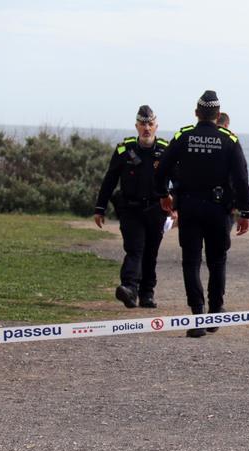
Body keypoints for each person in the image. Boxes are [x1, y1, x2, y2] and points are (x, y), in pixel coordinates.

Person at [154, 90, 249, 338]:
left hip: (189, 207)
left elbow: (162, 168)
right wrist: (246, 212)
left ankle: (197, 315)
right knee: (217, 261)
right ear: (218, 115)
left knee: (191, 261)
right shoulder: (229, 139)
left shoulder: (184, 135)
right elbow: (241, 178)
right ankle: (215, 312)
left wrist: (163, 195)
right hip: (218, 210)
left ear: (197, 113)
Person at [94, 105, 171, 309]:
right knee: (135, 248)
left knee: (151, 252)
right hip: (131, 209)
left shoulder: (165, 150)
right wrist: (100, 208)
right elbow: (109, 180)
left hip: (157, 209)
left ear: (156, 126)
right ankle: (129, 288)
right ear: (136, 126)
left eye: (150, 124)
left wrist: (177, 208)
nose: (147, 128)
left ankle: (147, 293)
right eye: (143, 124)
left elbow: (178, 180)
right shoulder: (124, 150)